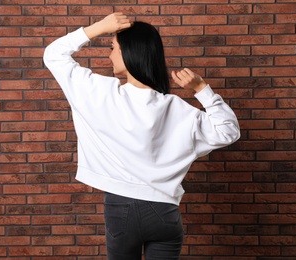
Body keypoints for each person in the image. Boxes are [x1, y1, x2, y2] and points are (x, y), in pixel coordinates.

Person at [44, 12, 240, 260]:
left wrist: (97, 28)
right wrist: (201, 89)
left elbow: (53, 55)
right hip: (165, 213)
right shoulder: (178, 109)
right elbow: (228, 130)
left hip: (121, 210)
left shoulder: (99, 93)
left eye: (113, 47)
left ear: (129, 51)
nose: (110, 54)